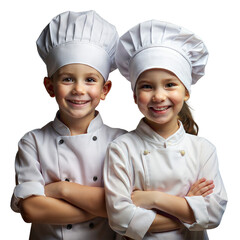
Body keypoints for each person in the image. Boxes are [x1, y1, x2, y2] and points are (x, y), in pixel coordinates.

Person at [104, 20, 227, 240]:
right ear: (134, 96)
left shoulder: (203, 149)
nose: (159, 96)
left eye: (170, 84)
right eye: (147, 86)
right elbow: (119, 218)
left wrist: (151, 199)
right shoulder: (121, 148)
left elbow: (214, 213)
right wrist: (188, 207)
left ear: (186, 91)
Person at [10, 10, 126, 240]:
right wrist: (106, 208)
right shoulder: (32, 142)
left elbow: (131, 205)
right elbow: (31, 210)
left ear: (105, 90)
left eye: (90, 80)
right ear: (50, 86)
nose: (79, 90)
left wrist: (61, 190)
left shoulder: (121, 141)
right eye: (67, 78)